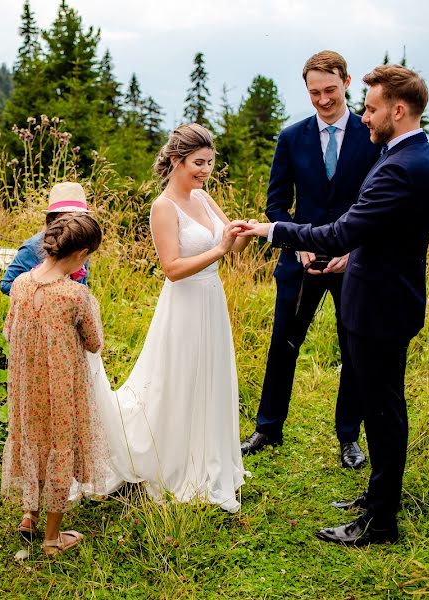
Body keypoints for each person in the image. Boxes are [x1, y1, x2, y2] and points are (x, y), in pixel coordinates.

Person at [239, 65, 429, 545]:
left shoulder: (400, 165)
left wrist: (271, 231)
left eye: (372, 109)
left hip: (379, 302)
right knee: (382, 404)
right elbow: (382, 228)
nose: (367, 119)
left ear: (398, 109)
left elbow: (342, 231)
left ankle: (380, 522)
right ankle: (376, 500)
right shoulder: (418, 156)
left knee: (383, 410)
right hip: (385, 294)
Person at [89, 123, 251, 512]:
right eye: (198, 163)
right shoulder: (163, 207)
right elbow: (172, 268)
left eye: (210, 162)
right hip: (184, 304)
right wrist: (222, 250)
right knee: (178, 379)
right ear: (177, 160)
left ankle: (208, 454)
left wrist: (247, 231)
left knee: (209, 376)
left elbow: (230, 242)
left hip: (212, 301)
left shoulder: (205, 197)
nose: (205, 170)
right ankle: (171, 458)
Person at [241, 51, 380, 469]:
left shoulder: (371, 135)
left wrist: (354, 251)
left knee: (353, 348)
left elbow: (378, 207)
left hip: (353, 261)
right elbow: (276, 204)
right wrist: (296, 242)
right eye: (314, 92)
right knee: (283, 343)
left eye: (330, 90)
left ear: (348, 82)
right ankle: (268, 427)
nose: (323, 100)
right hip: (299, 260)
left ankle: (348, 438)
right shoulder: (291, 137)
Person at [1, 213, 111, 555]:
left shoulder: (20, 285)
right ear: (81, 254)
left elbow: (9, 331)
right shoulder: (74, 294)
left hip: (26, 388)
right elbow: (94, 342)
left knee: (33, 442)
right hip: (61, 389)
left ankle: (29, 515)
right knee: (59, 448)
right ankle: (52, 539)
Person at [0, 181, 90, 295]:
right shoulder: (32, 247)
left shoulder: (82, 246)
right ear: (53, 218)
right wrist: (42, 292)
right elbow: (6, 284)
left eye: (79, 217)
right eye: (66, 217)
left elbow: (83, 285)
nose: (72, 223)